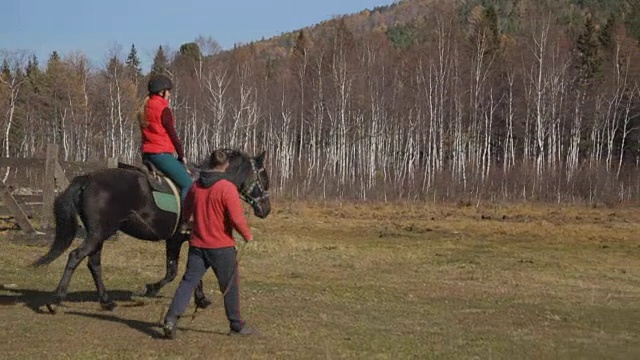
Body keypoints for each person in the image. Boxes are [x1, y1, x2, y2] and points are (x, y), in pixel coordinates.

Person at [162, 150, 257, 339]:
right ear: (226, 165)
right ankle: (236, 325)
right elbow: (236, 219)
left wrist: (190, 223)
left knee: (188, 282)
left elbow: (187, 210)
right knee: (230, 285)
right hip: (221, 247)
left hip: (197, 244)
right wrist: (247, 235)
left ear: (209, 163)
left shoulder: (196, 186)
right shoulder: (227, 188)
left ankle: (171, 318)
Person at [137, 74, 192, 203]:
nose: (169, 95)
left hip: (147, 154)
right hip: (161, 154)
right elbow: (172, 134)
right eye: (168, 92)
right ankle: (184, 221)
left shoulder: (144, 108)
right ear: (162, 92)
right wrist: (181, 154)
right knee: (188, 184)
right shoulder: (163, 110)